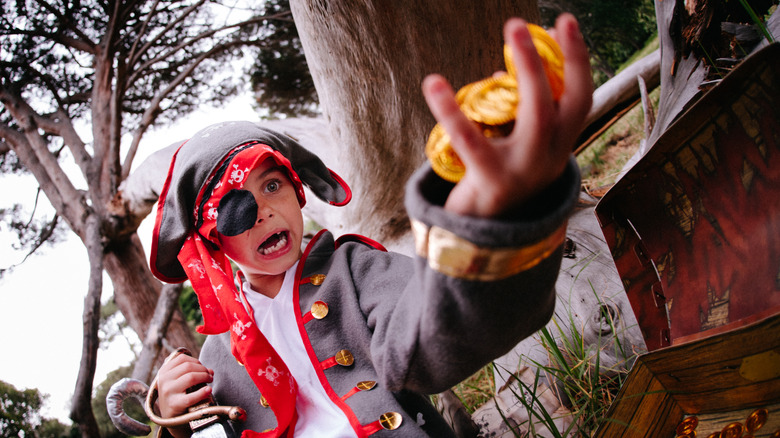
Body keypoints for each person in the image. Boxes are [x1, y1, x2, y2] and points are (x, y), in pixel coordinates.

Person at [149, 13, 592, 438]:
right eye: (234, 206)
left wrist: (500, 224)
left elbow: (439, 339)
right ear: (212, 241)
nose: (263, 210)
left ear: (297, 190)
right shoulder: (218, 356)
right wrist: (176, 423)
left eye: (272, 184)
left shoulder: (355, 272)